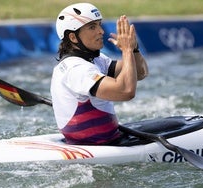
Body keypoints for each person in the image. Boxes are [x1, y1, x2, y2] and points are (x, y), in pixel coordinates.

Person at [51, 3, 148, 145]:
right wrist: (126, 51)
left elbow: (140, 73)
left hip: (107, 139)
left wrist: (134, 49)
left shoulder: (96, 59)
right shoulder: (76, 69)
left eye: (99, 25)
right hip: (94, 146)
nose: (101, 31)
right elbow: (126, 91)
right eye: (92, 27)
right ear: (73, 37)